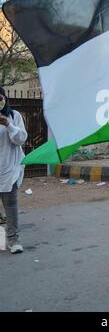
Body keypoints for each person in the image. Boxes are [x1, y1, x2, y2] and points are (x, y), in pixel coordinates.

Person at [0, 86, 27, 254]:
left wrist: (8, 124)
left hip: (9, 168)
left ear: (4, 98)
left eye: (0, 98)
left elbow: (21, 139)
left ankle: (13, 240)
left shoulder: (14, 116)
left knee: (11, 205)